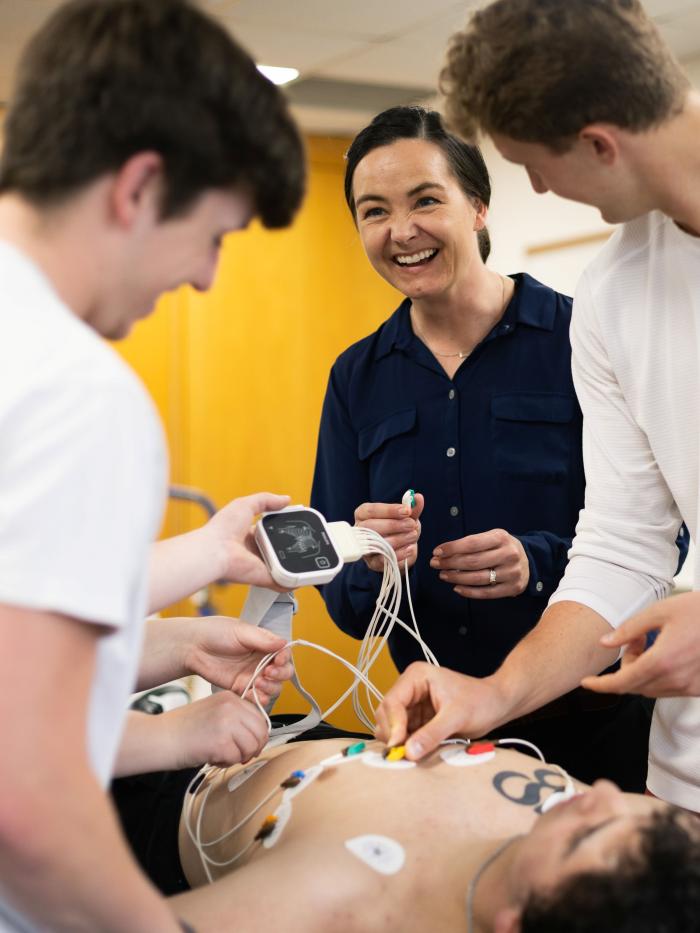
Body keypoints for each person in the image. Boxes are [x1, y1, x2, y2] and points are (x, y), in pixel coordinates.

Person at [0, 0, 304, 930]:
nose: (207, 276)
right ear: (138, 187)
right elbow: (30, 798)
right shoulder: (78, 393)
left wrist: (165, 650)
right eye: (213, 234)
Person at [375, 0, 700, 812]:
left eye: (533, 163)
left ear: (599, 141)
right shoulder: (614, 293)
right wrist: (494, 693)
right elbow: (625, 541)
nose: (539, 187)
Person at [310, 105, 662, 789]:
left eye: (425, 200)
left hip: (598, 731)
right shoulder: (356, 378)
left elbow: (656, 541)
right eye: (374, 211)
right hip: (436, 736)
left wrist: (536, 562)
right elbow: (341, 591)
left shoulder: (578, 338)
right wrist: (373, 562)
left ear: (477, 206)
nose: (401, 231)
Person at [114, 733, 700, 932]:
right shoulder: (603, 850)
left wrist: (171, 737)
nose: (595, 792)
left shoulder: (341, 901)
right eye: (637, 808)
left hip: (158, 802)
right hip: (258, 739)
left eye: (586, 835)